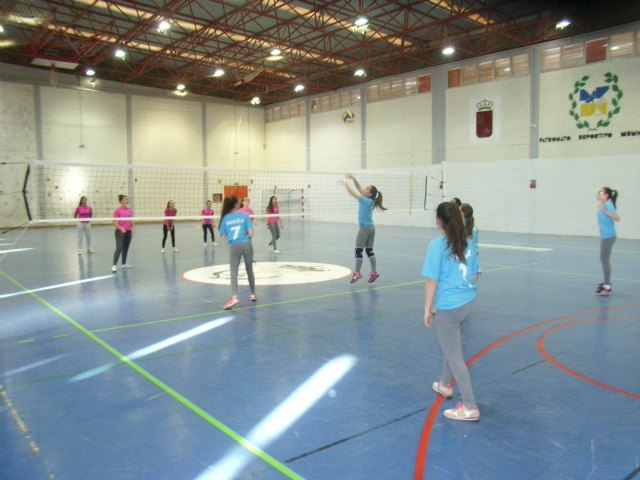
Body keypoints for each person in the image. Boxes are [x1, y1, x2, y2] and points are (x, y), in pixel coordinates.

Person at [423, 201, 480, 421]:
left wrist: (428, 308)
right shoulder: (468, 242)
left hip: (449, 308)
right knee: (452, 346)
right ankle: (445, 384)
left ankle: (469, 406)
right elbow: (474, 274)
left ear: (439, 221)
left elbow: (431, 281)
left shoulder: (437, 245)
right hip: (469, 303)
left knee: (455, 357)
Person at [344, 174, 386, 283]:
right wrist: (353, 178)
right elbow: (359, 187)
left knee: (358, 251)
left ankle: (357, 273)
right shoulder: (371, 200)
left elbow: (352, 192)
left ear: (370, 193)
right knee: (369, 251)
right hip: (371, 228)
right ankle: (374, 272)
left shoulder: (364, 200)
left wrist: (345, 184)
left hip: (364, 229)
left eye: (367, 188)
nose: (364, 189)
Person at [219, 195, 256, 309]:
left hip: (234, 246)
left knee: (234, 271)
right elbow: (251, 233)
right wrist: (246, 240)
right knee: (249, 269)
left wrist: (232, 240)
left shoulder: (225, 218)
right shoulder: (244, 215)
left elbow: (223, 236)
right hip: (246, 244)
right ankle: (253, 294)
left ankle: (234, 297)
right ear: (236, 204)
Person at [595, 187, 620, 295]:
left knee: (604, 259)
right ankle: (606, 283)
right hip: (606, 236)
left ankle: (607, 286)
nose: (598, 193)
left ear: (606, 195)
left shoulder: (608, 205)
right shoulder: (606, 204)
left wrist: (604, 210)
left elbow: (617, 218)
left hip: (609, 236)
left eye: (601, 192)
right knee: (604, 259)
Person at [112, 194, 133, 273]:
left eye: (127, 199)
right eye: (125, 199)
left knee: (126, 248)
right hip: (120, 232)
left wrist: (133, 227)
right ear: (121, 201)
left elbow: (131, 220)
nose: (126, 201)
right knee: (119, 248)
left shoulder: (129, 210)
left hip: (128, 231)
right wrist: (121, 228)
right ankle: (114, 265)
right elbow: (114, 222)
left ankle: (123, 264)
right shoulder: (117, 210)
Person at [460, 203, 480, 272]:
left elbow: (474, 246)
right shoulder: (459, 224)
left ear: (463, 213)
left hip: (467, 254)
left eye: (460, 211)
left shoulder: (473, 229)